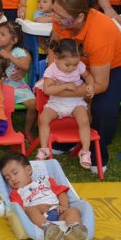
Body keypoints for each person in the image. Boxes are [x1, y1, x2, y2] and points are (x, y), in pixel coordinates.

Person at [48, 0, 121, 171]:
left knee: (102, 107)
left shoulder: (100, 32)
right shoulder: (61, 19)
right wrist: (53, 75)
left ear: (80, 17)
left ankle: (99, 153)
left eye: (60, 15)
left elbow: (100, 85)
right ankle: (70, 141)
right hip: (84, 63)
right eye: (54, 12)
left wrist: (64, 90)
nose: (55, 18)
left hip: (119, 67)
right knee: (66, 100)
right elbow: (55, 46)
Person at [0, 151, 90, 240]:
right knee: (30, 210)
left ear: (28, 170)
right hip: (40, 216)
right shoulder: (16, 193)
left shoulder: (45, 180)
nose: (12, 179)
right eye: (7, 178)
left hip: (59, 211)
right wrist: (36, 208)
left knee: (74, 210)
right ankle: (48, 228)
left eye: (15, 172)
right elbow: (18, 209)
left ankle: (74, 229)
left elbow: (61, 193)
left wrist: (64, 206)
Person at [35, 39, 95, 167]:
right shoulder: (51, 71)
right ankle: (44, 148)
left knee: (84, 120)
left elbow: (88, 76)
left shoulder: (78, 66)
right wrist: (65, 86)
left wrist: (90, 85)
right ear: (56, 58)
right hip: (56, 102)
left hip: (76, 101)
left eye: (75, 64)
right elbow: (47, 89)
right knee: (43, 118)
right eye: (67, 65)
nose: (72, 68)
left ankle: (85, 151)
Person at [0, 22, 36, 139]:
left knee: (33, 104)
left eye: (2, 34)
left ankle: (27, 131)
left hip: (18, 86)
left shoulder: (18, 51)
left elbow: (25, 66)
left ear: (13, 40)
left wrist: (9, 57)